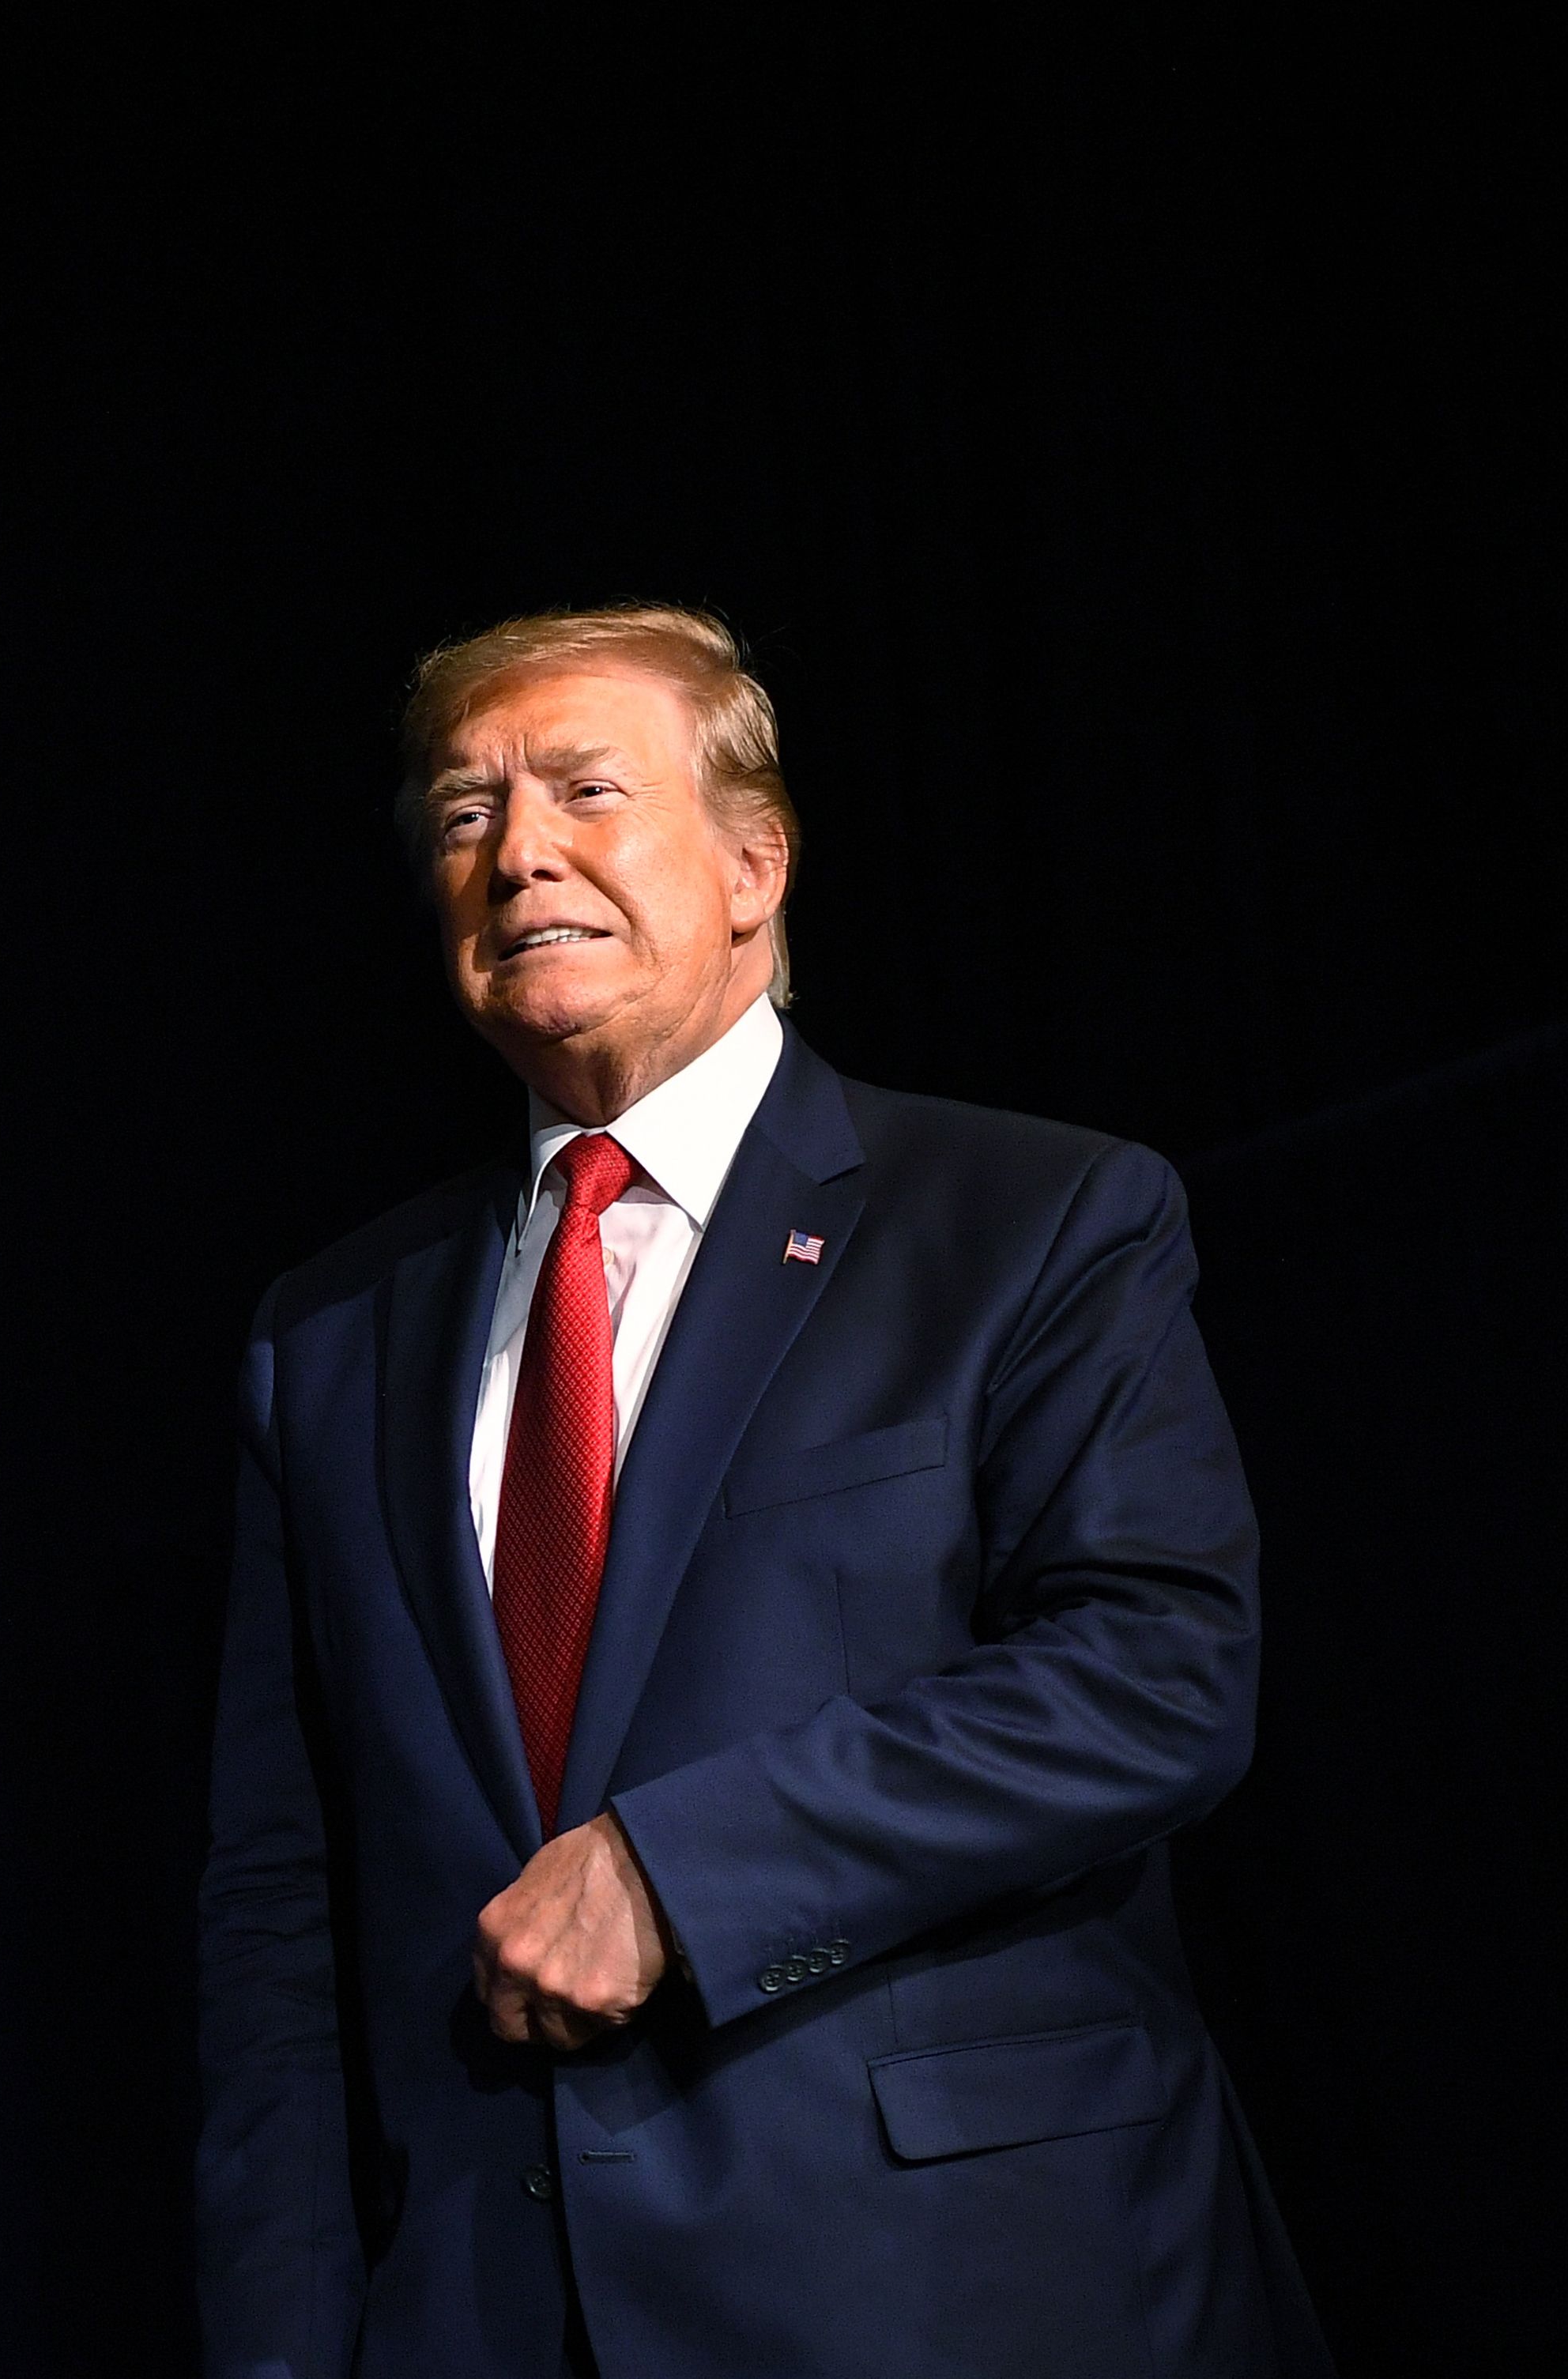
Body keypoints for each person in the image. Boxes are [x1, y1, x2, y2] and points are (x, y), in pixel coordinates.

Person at [197, 605, 1329, 2377]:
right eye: (464, 814)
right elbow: (280, 1900)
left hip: (960, 2290)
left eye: (584, 788)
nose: (518, 853)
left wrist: (678, 1870)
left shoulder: (1031, 1218)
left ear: (753, 863)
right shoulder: (328, 1335)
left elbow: (1156, 1669)